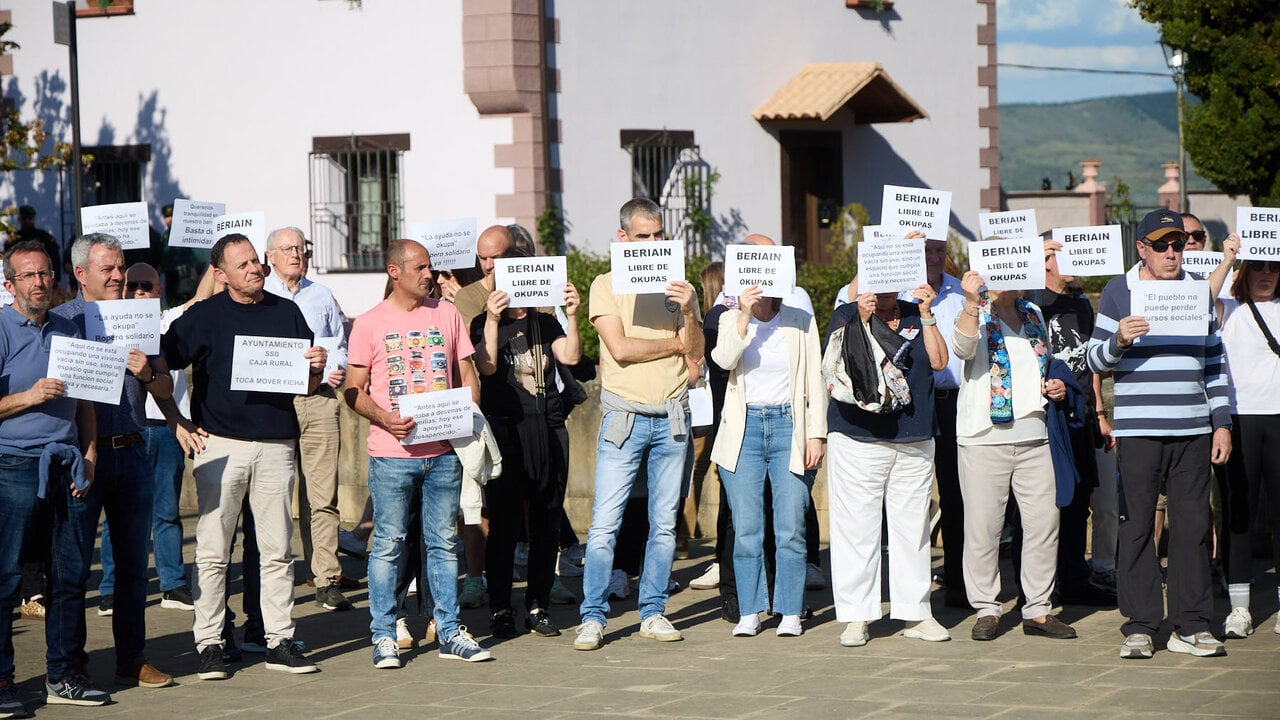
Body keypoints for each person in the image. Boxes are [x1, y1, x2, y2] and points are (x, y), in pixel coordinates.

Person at [161, 233, 328, 680]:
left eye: (256, 261)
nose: (254, 269)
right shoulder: (205, 316)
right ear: (221, 275)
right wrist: (176, 419)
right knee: (213, 551)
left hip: (276, 443)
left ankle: (278, 639)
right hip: (221, 445)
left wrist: (315, 369)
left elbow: (307, 387)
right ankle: (210, 643)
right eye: (243, 264)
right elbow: (159, 366)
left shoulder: (287, 312)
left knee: (276, 550)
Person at [1087, 208, 1232, 659]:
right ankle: (1141, 625)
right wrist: (1119, 342)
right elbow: (1092, 361)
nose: (1173, 253)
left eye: (1178, 244)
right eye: (1163, 245)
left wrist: (1221, 422)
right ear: (1142, 249)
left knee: (1191, 527)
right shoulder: (1119, 291)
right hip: (1140, 432)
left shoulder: (1196, 291)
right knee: (1136, 530)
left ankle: (1190, 625)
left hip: (1193, 428)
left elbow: (1213, 362)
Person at [344, 238, 491, 669]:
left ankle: (449, 630)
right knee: (388, 544)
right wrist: (385, 417)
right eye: (421, 268)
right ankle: (384, 634)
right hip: (392, 455)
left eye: (430, 267)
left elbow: (466, 371)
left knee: (445, 543)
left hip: (444, 452)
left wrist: (468, 410)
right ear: (395, 271)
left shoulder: (446, 314)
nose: (430, 274)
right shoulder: (370, 323)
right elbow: (351, 390)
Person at [574, 198, 702, 651]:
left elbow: (697, 360)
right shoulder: (605, 285)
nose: (653, 243)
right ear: (623, 238)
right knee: (604, 524)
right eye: (643, 236)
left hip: (673, 420)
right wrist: (674, 345)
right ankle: (592, 617)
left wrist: (688, 312)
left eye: (658, 235)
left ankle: (653, 612)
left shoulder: (678, 290)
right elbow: (622, 350)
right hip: (624, 420)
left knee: (664, 524)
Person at [52, 234, 176, 689]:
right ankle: (70, 662)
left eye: (121, 267)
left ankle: (132, 658)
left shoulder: (140, 317)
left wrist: (146, 371)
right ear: (81, 273)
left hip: (133, 450)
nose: (119, 276)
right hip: (81, 460)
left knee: (130, 567)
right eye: (108, 268)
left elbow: (163, 391)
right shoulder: (60, 321)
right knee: (73, 568)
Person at [0, 241, 106, 710]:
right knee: (6, 579)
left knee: (70, 576)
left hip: (67, 465)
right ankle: (2, 682)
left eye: (44, 274)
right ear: (10, 285)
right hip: (13, 465)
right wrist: (29, 396)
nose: (39, 283)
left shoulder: (68, 327)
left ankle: (62, 676)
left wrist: (89, 455)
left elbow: (86, 404)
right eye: (28, 276)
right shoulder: (1, 330)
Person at [826, 261, 951, 647]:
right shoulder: (846, 314)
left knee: (912, 529)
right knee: (856, 529)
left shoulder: (915, 312)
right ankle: (857, 616)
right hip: (858, 437)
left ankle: (916, 613)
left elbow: (940, 362)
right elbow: (840, 364)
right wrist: (862, 319)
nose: (881, 292)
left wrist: (928, 315)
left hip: (913, 438)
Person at [953, 269, 1078, 643]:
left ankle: (1038, 608)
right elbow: (961, 348)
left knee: (1043, 524)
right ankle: (987, 608)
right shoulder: (973, 310)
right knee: (983, 529)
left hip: (1035, 434)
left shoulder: (1032, 313)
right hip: (982, 437)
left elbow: (1041, 362)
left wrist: (1054, 386)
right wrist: (973, 302)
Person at [471, 249, 582, 638]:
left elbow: (570, 354)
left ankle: (538, 604)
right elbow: (485, 366)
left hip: (548, 427)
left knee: (547, 519)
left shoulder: (546, 323)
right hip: (506, 428)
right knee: (503, 523)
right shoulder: (483, 322)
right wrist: (493, 318)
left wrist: (572, 313)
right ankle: (501, 606)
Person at [710, 279, 826, 638]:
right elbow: (723, 360)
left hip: (788, 426)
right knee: (746, 528)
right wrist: (743, 315)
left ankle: (789, 609)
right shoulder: (731, 319)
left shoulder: (800, 320)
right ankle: (750, 609)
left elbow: (815, 379)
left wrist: (816, 434)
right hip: (744, 429)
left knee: (791, 526)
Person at [263, 226, 353, 611]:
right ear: (271, 256)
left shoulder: (322, 295)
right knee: (276, 495)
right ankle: (278, 573)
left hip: (319, 400)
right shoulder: (261, 298)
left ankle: (327, 576)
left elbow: (342, 345)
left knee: (322, 495)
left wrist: (339, 368)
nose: (296, 254)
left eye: (300, 248)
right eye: (287, 249)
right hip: (275, 404)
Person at [1024, 237, 1113, 606]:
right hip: (1045, 415)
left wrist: (1098, 412)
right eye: (1061, 255)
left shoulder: (1080, 303)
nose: (1076, 262)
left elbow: (1090, 361)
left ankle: (1075, 579)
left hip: (1079, 412)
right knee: (1043, 505)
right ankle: (1036, 588)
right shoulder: (1030, 300)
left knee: (1078, 500)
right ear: (1045, 262)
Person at [121, 263, 197, 612]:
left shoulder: (169, 322)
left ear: (159, 288)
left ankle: (173, 584)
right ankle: (110, 588)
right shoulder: (109, 321)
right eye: (131, 285)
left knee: (167, 510)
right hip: (130, 428)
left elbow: (204, 295)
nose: (139, 291)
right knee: (119, 515)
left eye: (146, 285)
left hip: (168, 428)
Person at [447, 224, 513, 609]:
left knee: (529, 498)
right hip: (483, 407)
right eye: (483, 258)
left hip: (527, 409)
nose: (489, 266)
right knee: (476, 501)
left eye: (497, 257)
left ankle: (544, 573)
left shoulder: (533, 289)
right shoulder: (468, 298)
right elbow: (469, 360)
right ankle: (475, 577)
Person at [1216, 253, 1279, 638]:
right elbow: (1199, 300)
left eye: (1275, 267)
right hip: (1239, 420)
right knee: (1238, 513)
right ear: (1245, 270)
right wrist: (1227, 259)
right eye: (1259, 266)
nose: (1267, 274)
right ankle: (1239, 608)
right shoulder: (1228, 307)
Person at [9, 206, 62, 284]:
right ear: (19, 219)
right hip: (21, 280)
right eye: (24, 218)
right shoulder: (13, 240)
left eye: (29, 218)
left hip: (43, 279)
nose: (27, 220)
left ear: (34, 218)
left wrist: (56, 280)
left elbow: (55, 259)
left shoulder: (44, 237)